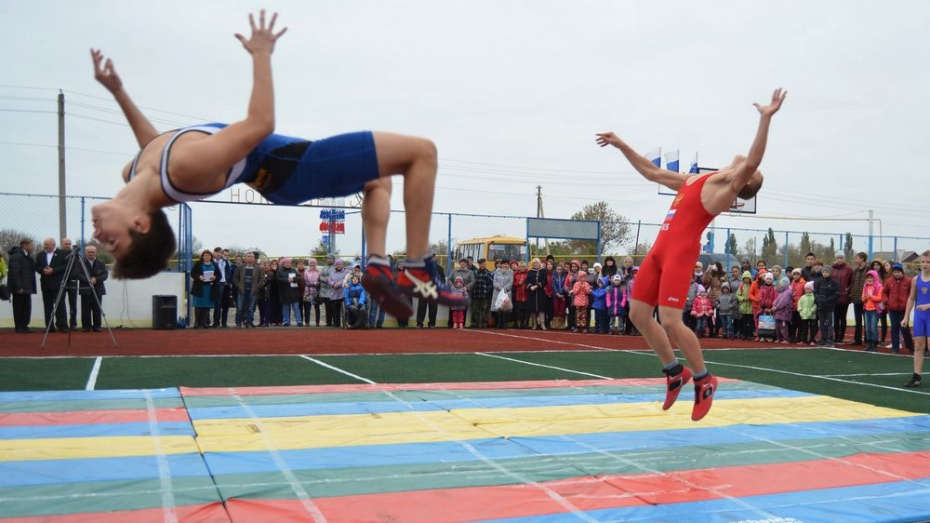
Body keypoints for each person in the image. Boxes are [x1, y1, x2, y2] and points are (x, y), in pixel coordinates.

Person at [88, 10, 465, 322]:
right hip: (297, 165)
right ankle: (417, 266)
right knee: (422, 154)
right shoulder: (186, 169)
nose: (99, 241)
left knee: (378, 179)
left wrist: (118, 91)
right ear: (141, 223)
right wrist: (261, 54)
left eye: (107, 246)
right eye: (113, 245)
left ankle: (380, 264)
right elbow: (259, 125)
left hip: (284, 173)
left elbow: (153, 145)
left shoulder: (137, 170)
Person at [596, 87, 786, 421]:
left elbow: (754, 160)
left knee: (670, 319)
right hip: (658, 251)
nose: (744, 160)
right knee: (639, 315)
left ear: (744, 180)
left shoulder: (726, 188)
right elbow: (652, 173)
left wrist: (765, 119)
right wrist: (622, 144)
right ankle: (674, 372)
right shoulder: (696, 180)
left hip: (679, 254)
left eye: (749, 170)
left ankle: (703, 379)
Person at [903, 251, 930, 387]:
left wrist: (928, 305)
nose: (925, 264)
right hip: (920, 316)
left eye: (928, 262)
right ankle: (916, 376)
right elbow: (911, 298)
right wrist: (906, 316)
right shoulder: (915, 279)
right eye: (923, 262)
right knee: (918, 346)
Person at [35, 238, 69, 333]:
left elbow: (65, 266)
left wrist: (53, 270)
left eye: (47, 244)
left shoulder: (62, 254)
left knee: (60, 305)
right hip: (45, 284)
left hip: (58, 284)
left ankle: (63, 325)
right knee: (47, 306)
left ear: (53, 244)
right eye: (44, 244)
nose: (45, 246)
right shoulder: (40, 255)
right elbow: (37, 266)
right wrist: (43, 270)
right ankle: (50, 326)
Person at [883, 263, 913, 354]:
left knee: (905, 329)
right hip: (892, 309)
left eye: (898, 272)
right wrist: (886, 301)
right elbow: (884, 293)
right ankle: (895, 348)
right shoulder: (889, 281)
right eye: (895, 272)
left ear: (902, 272)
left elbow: (912, 294)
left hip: (904, 309)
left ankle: (910, 347)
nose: (896, 274)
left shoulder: (908, 281)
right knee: (894, 328)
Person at [77, 245, 108, 332]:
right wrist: (88, 280)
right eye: (89, 252)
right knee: (85, 308)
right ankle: (86, 326)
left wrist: (96, 279)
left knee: (97, 308)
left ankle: (97, 326)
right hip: (85, 288)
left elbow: (105, 275)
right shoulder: (80, 262)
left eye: (93, 252)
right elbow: (78, 274)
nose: (91, 254)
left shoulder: (101, 262)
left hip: (98, 288)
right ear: (86, 253)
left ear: (95, 252)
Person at [8, 239, 37, 333]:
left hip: (27, 286)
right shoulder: (17, 256)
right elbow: (15, 273)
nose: (32, 247)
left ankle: (24, 325)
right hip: (20, 288)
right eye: (31, 245)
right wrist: (18, 287)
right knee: (19, 307)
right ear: (25, 245)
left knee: (26, 307)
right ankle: (19, 326)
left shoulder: (27, 256)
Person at [234, 252, 265, 328]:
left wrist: (257, 287)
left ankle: (249, 322)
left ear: (254, 258)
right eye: (248, 256)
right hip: (242, 291)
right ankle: (238, 323)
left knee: (250, 308)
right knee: (240, 308)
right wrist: (239, 286)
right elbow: (235, 278)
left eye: (252, 256)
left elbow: (262, 279)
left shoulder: (258, 268)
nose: (250, 257)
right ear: (245, 258)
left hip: (252, 291)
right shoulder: (240, 267)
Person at [190, 250, 217, 328]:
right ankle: (196, 322)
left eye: (209, 255)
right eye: (205, 255)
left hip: (210, 288)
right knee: (198, 305)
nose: (207, 257)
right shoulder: (198, 264)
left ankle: (204, 322)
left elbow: (218, 275)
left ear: (211, 257)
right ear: (202, 256)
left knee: (207, 306)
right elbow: (193, 273)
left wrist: (215, 277)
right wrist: (199, 277)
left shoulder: (214, 264)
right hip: (199, 287)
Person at [815, 265, 840, 347]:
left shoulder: (834, 283)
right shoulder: (819, 282)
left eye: (827, 272)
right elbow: (815, 293)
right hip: (821, 307)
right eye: (823, 272)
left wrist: (826, 300)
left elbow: (836, 295)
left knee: (830, 323)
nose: (825, 273)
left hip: (830, 307)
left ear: (830, 272)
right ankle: (823, 339)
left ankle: (830, 339)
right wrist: (819, 299)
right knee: (822, 324)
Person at [848, 252, 869, 346]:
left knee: (867, 320)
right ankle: (857, 339)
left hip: (866, 300)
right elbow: (853, 283)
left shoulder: (869, 270)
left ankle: (868, 339)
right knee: (858, 320)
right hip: (856, 299)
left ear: (862, 259)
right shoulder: (855, 270)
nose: (855, 259)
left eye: (857, 258)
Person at [861, 269, 883, 352]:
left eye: (871, 277)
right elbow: (863, 297)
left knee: (873, 327)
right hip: (867, 309)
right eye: (868, 278)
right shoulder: (865, 286)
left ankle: (874, 344)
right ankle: (869, 343)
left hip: (875, 310)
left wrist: (870, 297)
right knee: (868, 328)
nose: (870, 279)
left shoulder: (879, 286)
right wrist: (864, 298)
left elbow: (879, 298)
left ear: (875, 278)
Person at [470, 258, 494, 329]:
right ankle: (475, 323)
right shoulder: (474, 272)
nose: (482, 265)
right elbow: (472, 282)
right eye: (481, 264)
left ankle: (483, 324)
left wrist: (487, 291)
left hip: (485, 295)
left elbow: (491, 284)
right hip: (475, 294)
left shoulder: (489, 273)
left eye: (483, 264)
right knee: (475, 310)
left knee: (484, 310)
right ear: (479, 264)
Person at [798, 281, 818, 346]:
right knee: (804, 328)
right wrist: (800, 311)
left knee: (812, 328)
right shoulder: (802, 297)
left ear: (812, 289)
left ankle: (812, 340)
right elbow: (799, 304)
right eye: (806, 289)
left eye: (808, 289)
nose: (807, 290)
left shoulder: (814, 297)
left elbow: (815, 305)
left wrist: (811, 311)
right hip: (804, 316)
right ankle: (804, 340)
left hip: (812, 316)